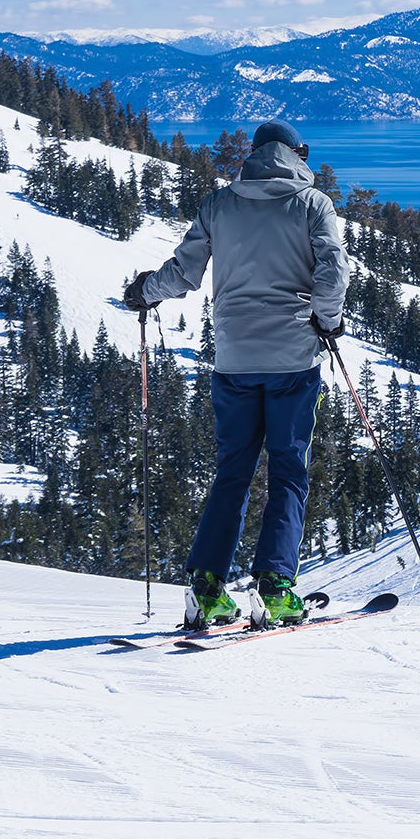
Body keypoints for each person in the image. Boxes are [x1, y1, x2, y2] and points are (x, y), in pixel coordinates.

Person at [124, 120, 349, 628]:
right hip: (293, 360)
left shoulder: (219, 205)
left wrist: (145, 291)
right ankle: (273, 586)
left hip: (233, 362)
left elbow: (183, 273)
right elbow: (334, 272)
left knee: (233, 473)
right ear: (296, 155)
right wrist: (328, 322)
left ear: (254, 155)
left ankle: (206, 589)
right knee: (288, 470)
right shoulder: (313, 205)